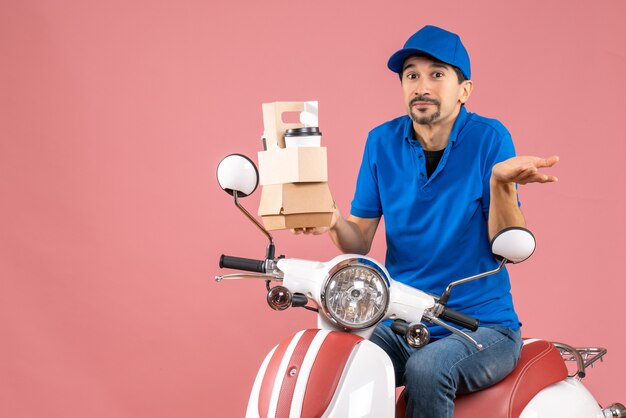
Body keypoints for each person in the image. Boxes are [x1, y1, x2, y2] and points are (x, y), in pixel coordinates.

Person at [294, 25, 559, 418]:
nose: (422, 86)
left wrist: (501, 183)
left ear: (463, 90)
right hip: (403, 315)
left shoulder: (489, 138)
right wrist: (331, 218)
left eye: (437, 74)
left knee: (428, 368)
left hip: (481, 326)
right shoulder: (380, 142)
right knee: (344, 358)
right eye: (412, 75)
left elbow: (505, 238)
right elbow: (359, 242)